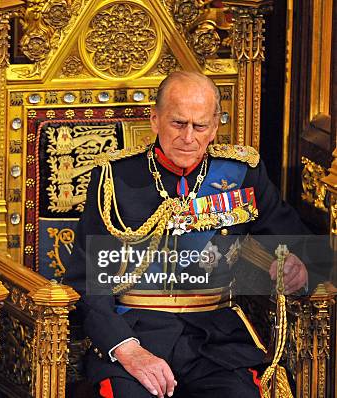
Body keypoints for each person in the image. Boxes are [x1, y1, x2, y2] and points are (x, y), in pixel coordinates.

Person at [64, 71, 311, 398]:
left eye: (200, 126)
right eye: (178, 124)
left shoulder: (240, 173)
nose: (189, 137)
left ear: (215, 126)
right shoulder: (114, 178)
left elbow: (297, 241)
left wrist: (300, 269)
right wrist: (126, 348)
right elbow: (85, 280)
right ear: (155, 119)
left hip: (216, 342)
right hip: (135, 334)